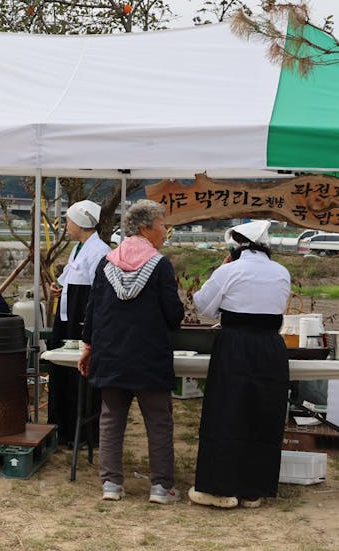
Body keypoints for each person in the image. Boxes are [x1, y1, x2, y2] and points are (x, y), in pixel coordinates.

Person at [77, 200, 184, 504]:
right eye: (162, 224)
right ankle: (161, 487)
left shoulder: (107, 262)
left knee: (111, 420)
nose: (165, 231)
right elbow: (173, 315)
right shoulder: (160, 264)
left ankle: (111, 484)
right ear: (145, 227)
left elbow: (93, 310)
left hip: (110, 354)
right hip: (149, 356)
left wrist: (88, 348)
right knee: (158, 422)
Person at [188, 220, 290, 509]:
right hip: (271, 345)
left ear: (237, 246)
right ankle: (253, 490)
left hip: (235, 344)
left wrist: (220, 273)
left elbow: (203, 306)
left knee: (227, 411)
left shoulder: (229, 270)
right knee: (263, 413)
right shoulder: (282, 272)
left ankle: (220, 489)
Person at [47, 199, 111, 445]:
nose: (66, 225)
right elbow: (69, 279)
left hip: (81, 318)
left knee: (78, 377)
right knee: (62, 374)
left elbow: (96, 289)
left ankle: (83, 432)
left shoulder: (100, 251)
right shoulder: (79, 248)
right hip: (66, 317)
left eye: (68, 220)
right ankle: (62, 427)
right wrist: (59, 288)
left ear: (81, 222)